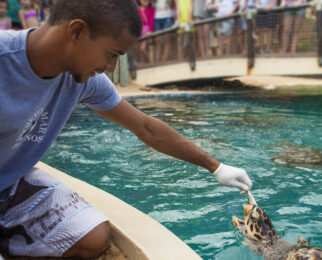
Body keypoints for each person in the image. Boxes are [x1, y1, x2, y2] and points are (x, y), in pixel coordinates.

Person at [0, 0, 253, 258]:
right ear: (77, 31)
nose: (111, 68)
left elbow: (146, 127)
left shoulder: (84, 79)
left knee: (93, 237)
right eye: (112, 54)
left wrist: (216, 167)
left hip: (10, 183)